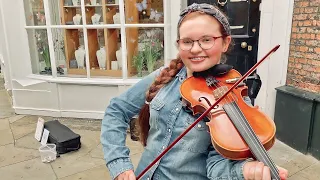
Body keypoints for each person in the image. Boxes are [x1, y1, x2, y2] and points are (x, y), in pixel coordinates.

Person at [101, 3, 288, 180]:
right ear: (179, 44)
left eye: (206, 40)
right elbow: (116, 110)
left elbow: (217, 168)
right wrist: (120, 165)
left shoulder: (236, 99)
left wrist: (244, 171)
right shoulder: (165, 76)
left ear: (225, 43)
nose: (196, 49)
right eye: (187, 41)